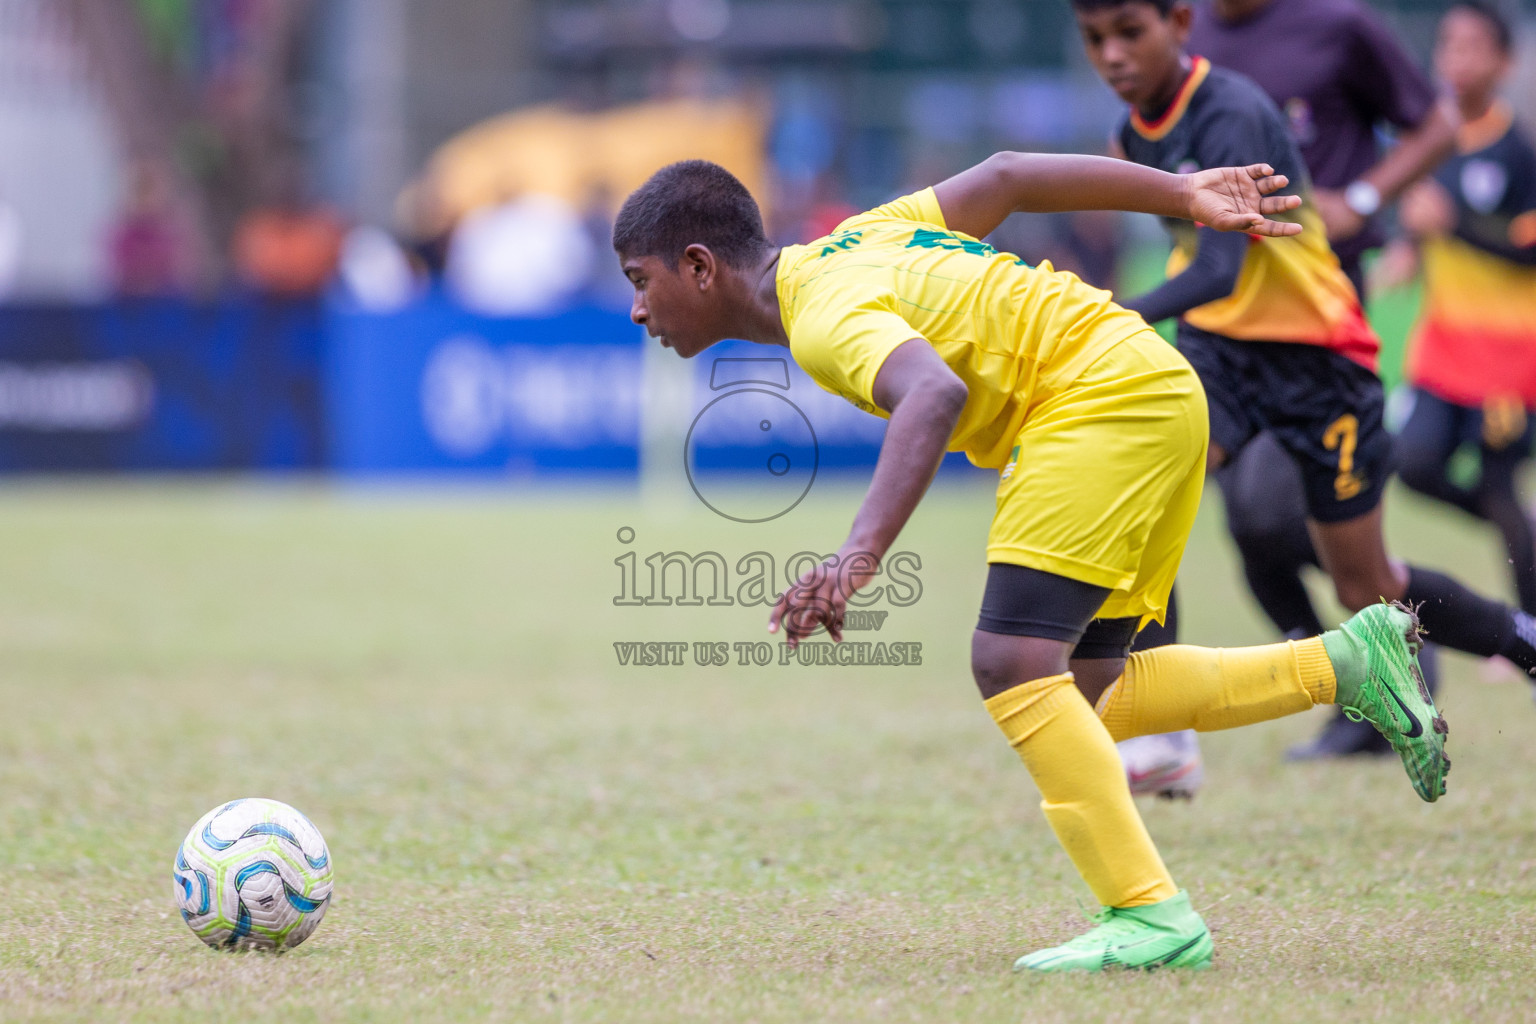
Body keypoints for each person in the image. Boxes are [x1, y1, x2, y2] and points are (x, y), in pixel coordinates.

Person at [612, 152, 1446, 973]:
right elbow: (1007, 176)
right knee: (1093, 691)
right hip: (1155, 385)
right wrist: (1181, 193)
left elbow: (931, 394)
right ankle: (1342, 663)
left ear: (699, 266)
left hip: (1100, 404)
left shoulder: (823, 311)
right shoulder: (859, 240)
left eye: (640, 281)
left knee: (1010, 661)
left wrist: (857, 556)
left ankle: (1149, 913)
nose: (638, 310)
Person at [1074, 1, 1536, 709]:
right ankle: (1160, 726)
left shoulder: (1231, 107)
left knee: (1367, 583)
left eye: (1128, 33)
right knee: (1139, 487)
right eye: (1094, 39)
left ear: (1179, 24)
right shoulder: (1132, 131)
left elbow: (1219, 267)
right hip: (1219, 350)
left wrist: (1101, 317)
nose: (1112, 55)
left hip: (1318, 360)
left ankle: (1518, 639)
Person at [1178, 0, 1460, 761]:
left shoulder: (1340, 26)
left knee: (1272, 512)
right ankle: (1370, 686)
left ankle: (1390, 662)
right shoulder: (1182, 32)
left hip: (1320, 320)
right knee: (1251, 528)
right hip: (1226, 324)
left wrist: (1363, 198)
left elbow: (1436, 125)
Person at [1393, 2, 1536, 615]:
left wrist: (1456, 226)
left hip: (1509, 357)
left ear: (1503, 62)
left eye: (1473, 47)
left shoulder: (1518, 151)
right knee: (1413, 464)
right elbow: (1422, 221)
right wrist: (1407, 247)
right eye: (1448, 45)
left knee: (1502, 484)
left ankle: (1527, 628)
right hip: (1443, 348)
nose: (1456, 59)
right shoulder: (1428, 139)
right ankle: (1520, 533)